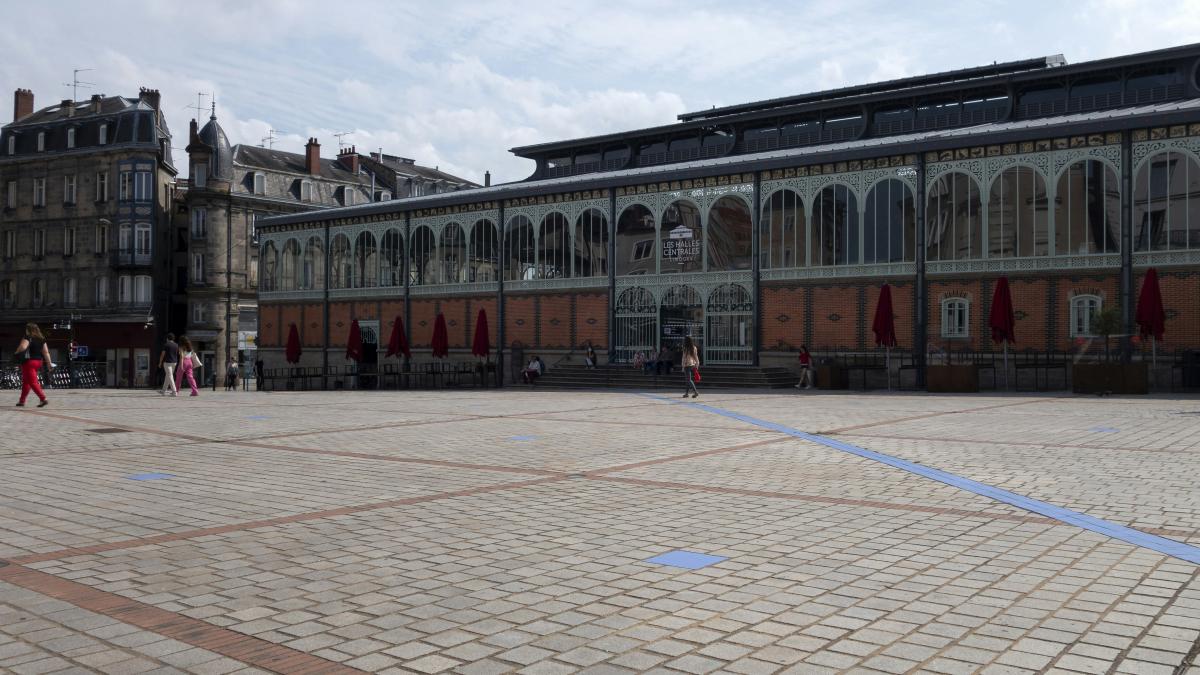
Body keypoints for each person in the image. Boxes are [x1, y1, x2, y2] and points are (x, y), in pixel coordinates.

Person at [13, 323, 51, 407]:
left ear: (28, 329)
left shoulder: (27, 337)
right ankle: (22, 401)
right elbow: (46, 352)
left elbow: (23, 347)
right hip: (38, 362)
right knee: (26, 382)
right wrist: (49, 363)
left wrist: (17, 352)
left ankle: (43, 399)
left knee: (33, 382)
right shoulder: (42, 339)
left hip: (29, 362)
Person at [158, 333, 180, 397]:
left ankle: (174, 391)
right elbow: (178, 353)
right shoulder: (176, 345)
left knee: (170, 376)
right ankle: (163, 391)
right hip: (174, 362)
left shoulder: (166, 345)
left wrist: (160, 362)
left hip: (167, 363)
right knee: (168, 376)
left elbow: (162, 354)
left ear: (167, 338)